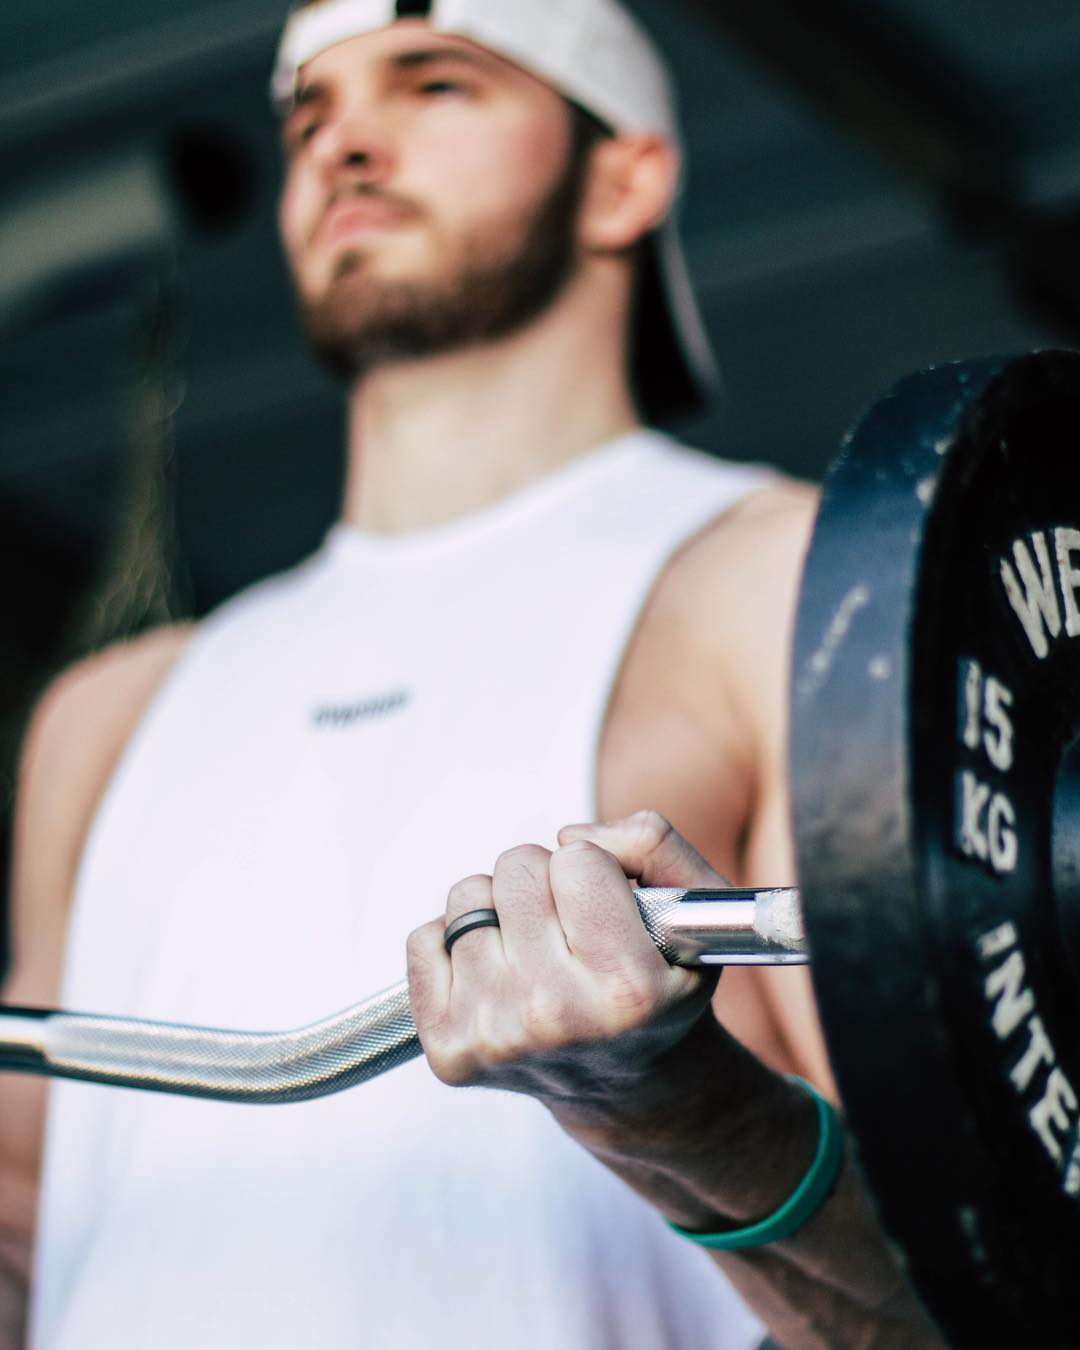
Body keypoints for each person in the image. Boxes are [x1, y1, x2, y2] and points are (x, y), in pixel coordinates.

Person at [0, 1, 939, 1346]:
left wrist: (686, 1116)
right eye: (309, 117)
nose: (347, 147)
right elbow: (21, 1227)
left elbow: (953, 1283)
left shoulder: (784, 576)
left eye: (434, 85)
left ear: (628, 176)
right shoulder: (107, 712)